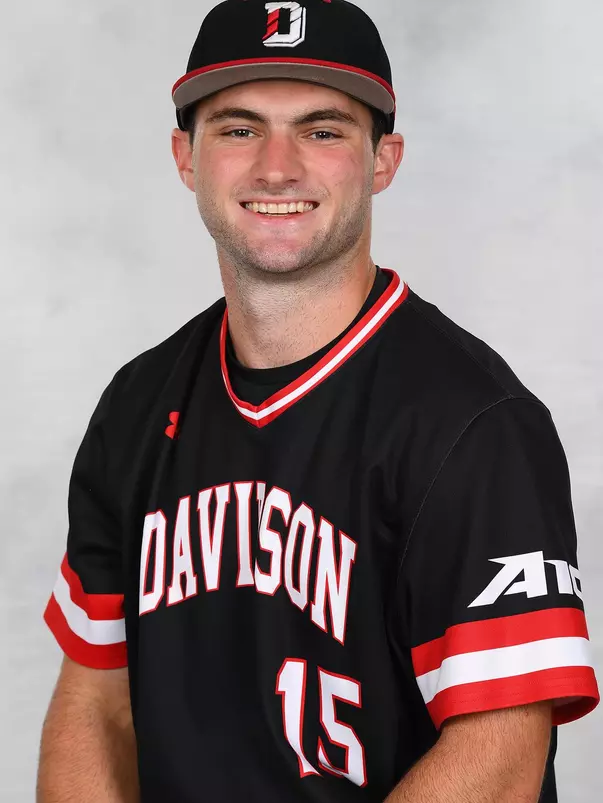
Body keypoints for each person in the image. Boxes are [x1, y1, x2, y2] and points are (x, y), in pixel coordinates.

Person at [37, 1, 599, 801]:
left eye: (322, 129)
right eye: (237, 128)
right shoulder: (135, 405)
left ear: (383, 159)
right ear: (184, 156)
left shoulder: (474, 425)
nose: (276, 166)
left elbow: (500, 754)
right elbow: (96, 701)